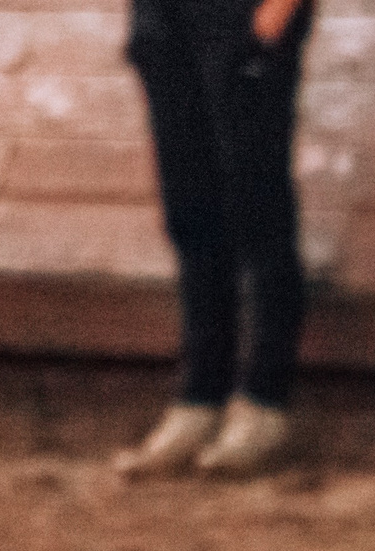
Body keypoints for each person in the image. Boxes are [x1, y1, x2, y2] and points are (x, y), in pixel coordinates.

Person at [113, 0, 313, 478]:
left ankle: (264, 398)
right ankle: (200, 396)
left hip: (242, 16)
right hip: (167, 18)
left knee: (258, 210)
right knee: (189, 212)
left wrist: (277, 13)